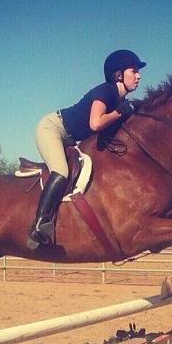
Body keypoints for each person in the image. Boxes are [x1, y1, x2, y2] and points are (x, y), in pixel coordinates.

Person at [27, 49, 147, 250]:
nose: (139, 75)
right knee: (61, 171)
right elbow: (95, 123)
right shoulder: (107, 91)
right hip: (52, 129)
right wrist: (119, 112)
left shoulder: (119, 99)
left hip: (70, 138)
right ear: (118, 75)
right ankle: (39, 224)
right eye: (134, 71)